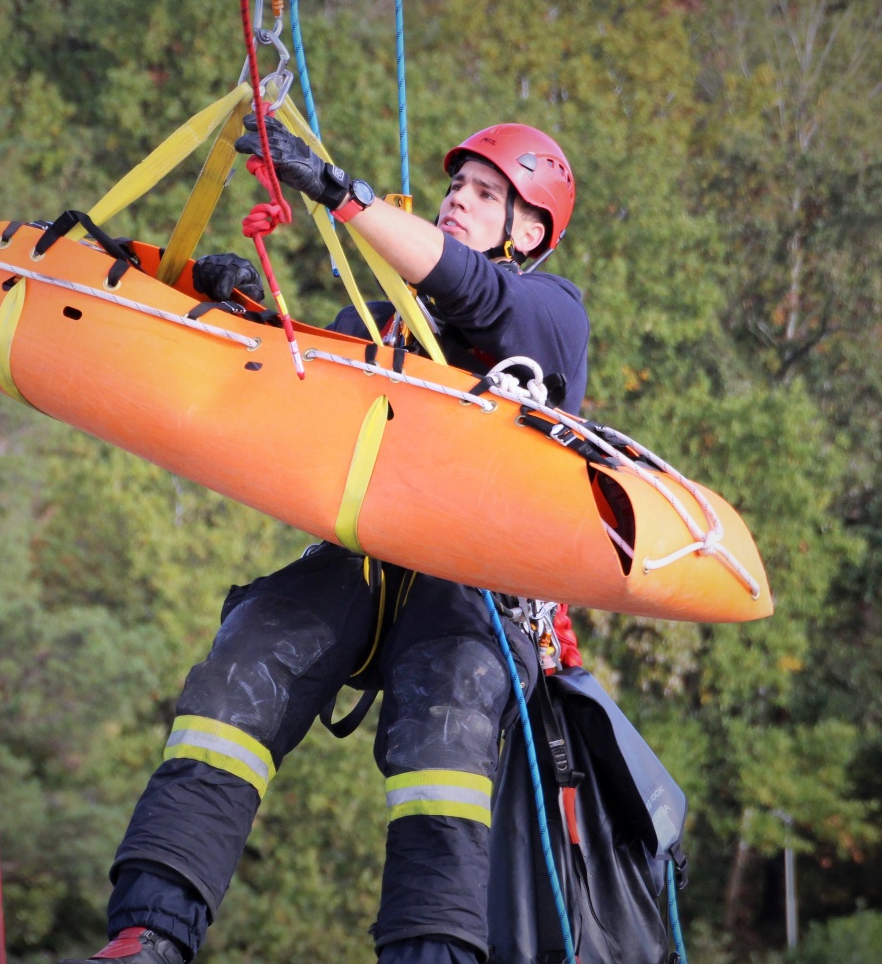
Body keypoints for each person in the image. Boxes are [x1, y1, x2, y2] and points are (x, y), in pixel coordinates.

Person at [60, 117, 587, 964]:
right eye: (457, 186)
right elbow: (291, 403)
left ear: (527, 233)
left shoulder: (552, 317)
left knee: (444, 727)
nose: (459, 198)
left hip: (470, 585)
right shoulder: (373, 321)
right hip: (365, 561)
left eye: (487, 194)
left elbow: (479, 295)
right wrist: (236, 306)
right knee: (247, 654)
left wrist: (345, 196)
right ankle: (150, 930)